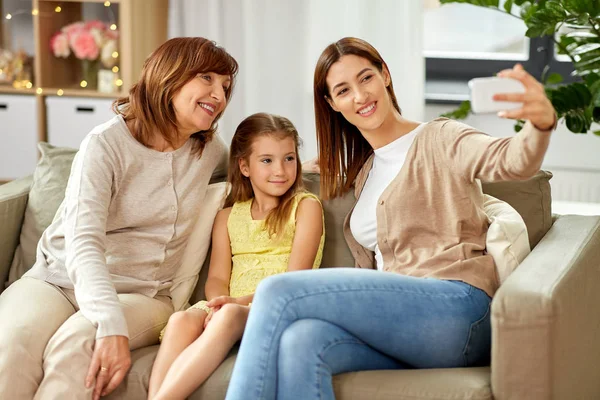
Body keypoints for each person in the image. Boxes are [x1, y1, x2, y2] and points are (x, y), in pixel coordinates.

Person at [225, 37, 556, 400]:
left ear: (385, 75)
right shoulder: (364, 171)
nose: (360, 96)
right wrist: (284, 168)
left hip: (455, 311)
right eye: (343, 90)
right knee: (301, 342)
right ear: (332, 104)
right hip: (400, 329)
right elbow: (283, 169)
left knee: (277, 290)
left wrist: (539, 126)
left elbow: (511, 160)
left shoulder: (440, 138)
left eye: (366, 78)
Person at [0, 37, 238, 400]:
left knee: (76, 349)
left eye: (225, 86)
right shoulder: (105, 144)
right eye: (206, 78)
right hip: (56, 279)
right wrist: (109, 323)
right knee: (10, 343)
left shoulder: (208, 150)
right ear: (169, 77)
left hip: (141, 291)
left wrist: (300, 166)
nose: (218, 95)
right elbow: (83, 241)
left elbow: (253, 163)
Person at [147, 112, 325, 400]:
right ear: (244, 166)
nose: (280, 170)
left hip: (276, 306)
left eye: (289, 158)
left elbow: (293, 281)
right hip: (228, 306)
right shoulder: (227, 217)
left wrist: (233, 304)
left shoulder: (305, 208)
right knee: (181, 320)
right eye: (267, 160)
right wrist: (218, 302)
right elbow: (217, 277)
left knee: (228, 314)